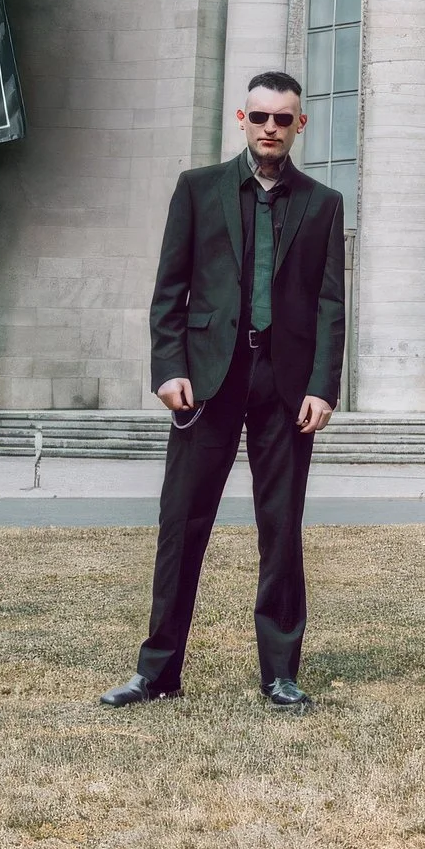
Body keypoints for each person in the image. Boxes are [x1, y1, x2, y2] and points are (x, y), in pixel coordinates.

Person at [100, 69, 346, 711]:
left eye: (283, 118)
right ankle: (157, 671)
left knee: (281, 527)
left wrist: (323, 386)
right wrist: (168, 368)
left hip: (285, 388)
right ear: (243, 119)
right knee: (181, 523)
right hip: (207, 381)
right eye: (260, 116)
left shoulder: (323, 203)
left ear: (300, 125)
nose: (270, 127)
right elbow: (169, 290)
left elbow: (330, 305)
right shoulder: (198, 188)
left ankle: (280, 673)